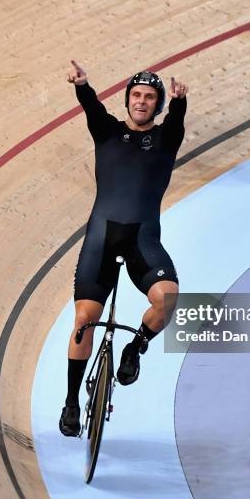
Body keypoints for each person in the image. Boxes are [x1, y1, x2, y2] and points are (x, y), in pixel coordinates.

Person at [59, 61, 188, 436]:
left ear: (158, 104)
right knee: (84, 322)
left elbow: (177, 121)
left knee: (170, 298)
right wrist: (83, 85)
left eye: (149, 97)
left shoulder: (165, 140)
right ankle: (70, 402)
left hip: (141, 241)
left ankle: (136, 348)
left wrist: (180, 102)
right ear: (127, 99)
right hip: (101, 239)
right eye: (136, 95)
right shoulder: (107, 132)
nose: (141, 101)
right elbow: (91, 107)